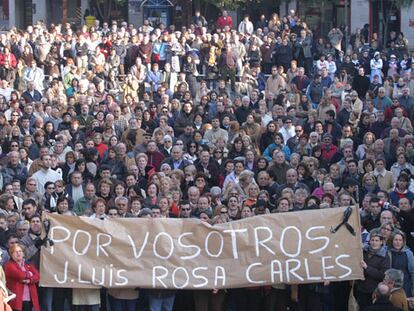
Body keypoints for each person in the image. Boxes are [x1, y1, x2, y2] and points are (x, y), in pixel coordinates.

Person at [4, 244, 40, 311]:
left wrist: (29, 280)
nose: (18, 253)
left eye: (20, 251)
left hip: (29, 299)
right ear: (11, 254)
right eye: (15, 252)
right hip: (16, 300)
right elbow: (20, 275)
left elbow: (37, 276)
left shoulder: (28, 265)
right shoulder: (9, 265)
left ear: (23, 253)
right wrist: (30, 274)